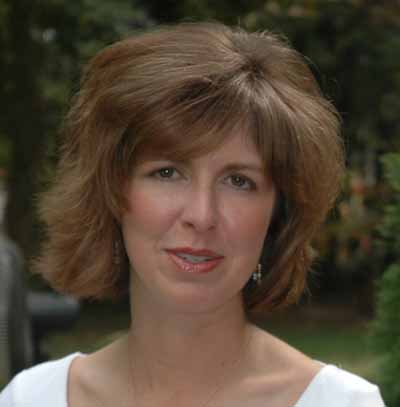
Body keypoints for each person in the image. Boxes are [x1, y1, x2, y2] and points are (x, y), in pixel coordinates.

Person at [0, 22, 385, 407]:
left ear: (277, 213)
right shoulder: (31, 399)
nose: (202, 215)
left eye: (238, 181)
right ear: (111, 192)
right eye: (167, 173)